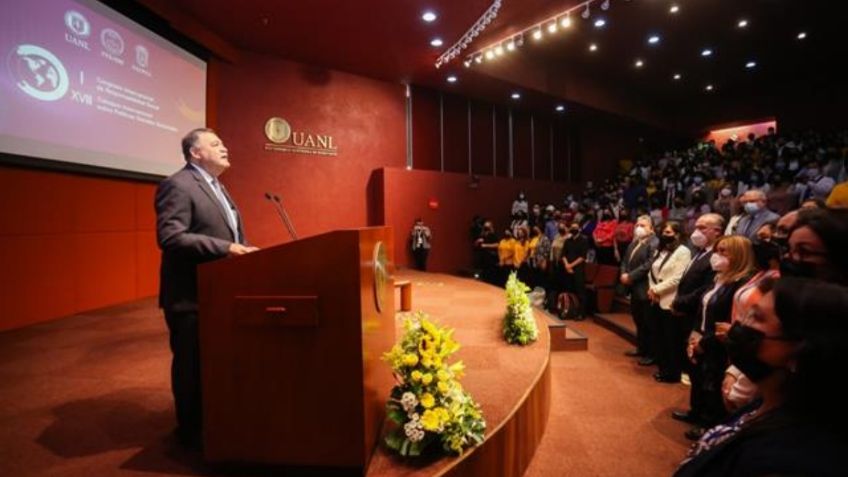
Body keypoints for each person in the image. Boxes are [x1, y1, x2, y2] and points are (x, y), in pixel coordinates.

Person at [674, 278, 848, 476]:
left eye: (756, 317)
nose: (739, 325)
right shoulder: (767, 404)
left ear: (800, 352)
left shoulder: (788, 460)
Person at [156, 128, 258, 447]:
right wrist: (226, 249)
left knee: (212, 363)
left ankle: (213, 420)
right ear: (195, 153)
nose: (225, 147)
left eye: (223, 142)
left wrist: (247, 250)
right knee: (190, 365)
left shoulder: (218, 187)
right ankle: (189, 434)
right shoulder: (178, 184)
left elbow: (232, 238)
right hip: (190, 296)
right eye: (216, 144)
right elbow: (171, 236)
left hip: (218, 294)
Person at [682, 236, 755, 440]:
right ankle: (696, 413)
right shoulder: (718, 278)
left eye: (724, 251)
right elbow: (702, 308)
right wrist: (695, 336)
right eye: (717, 250)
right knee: (699, 378)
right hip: (702, 335)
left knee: (713, 384)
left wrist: (705, 342)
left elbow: (728, 320)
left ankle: (709, 425)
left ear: (739, 255)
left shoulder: (740, 283)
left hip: (718, 343)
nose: (717, 255)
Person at [648, 221, 692, 382]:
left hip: (670, 299)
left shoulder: (683, 251)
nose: (664, 235)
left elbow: (678, 277)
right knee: (660, 336)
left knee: (671, 339)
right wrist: (652, 289)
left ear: (678, 234)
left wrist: (657, 290)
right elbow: (652, 272)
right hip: (656, 298)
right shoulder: (661, 250)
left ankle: (672, 373)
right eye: (663, 232)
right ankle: (663, 368)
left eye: (668, 232)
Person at [620, 215, 659, 363]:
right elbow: (624, 260)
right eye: (637, 224)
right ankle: (641, 348)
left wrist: (630, 276)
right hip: (634, 288)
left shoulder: (654, 243)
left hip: (644, 287)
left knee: (648, 322)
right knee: (638, 320)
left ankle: (650, 354)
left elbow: (649, 264)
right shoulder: (634, 243)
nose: (638, 228)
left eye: (643, 225)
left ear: (651, 229)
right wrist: (624, 273)